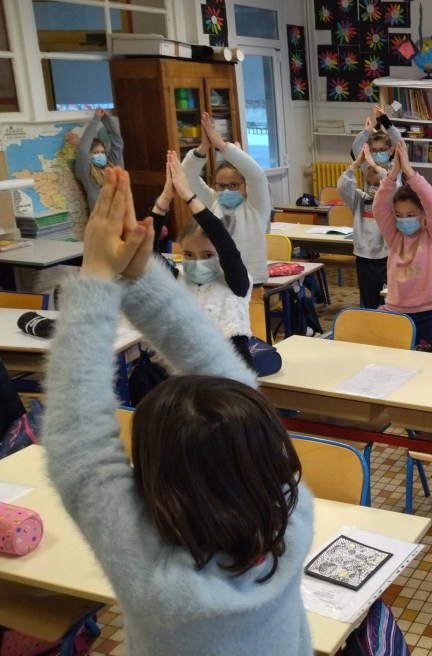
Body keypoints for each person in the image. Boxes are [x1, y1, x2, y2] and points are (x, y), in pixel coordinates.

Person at [44, 167, 313, 655]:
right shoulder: (289, 520)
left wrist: (106, 277)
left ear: (153, 479)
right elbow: (227, 379)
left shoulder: (153, 576)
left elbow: (80, 450)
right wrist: (127, 277)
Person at [152, 151, 255, 370]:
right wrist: (165, 199)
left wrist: (190, 197)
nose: (197, 261)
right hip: (188, 374)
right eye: (189, 255)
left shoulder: (235, 282)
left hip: (231, 377)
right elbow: (147, 254)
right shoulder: (177, 280)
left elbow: (224, 243)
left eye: (207, 255)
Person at [183, 112, 272, 338]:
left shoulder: (256, 205)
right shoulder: (212, 200)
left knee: (256, 344)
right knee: (224, 342)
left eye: (234, 185)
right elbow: (186, 177)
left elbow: (256, 175)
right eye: (221, 185)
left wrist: (222, 145)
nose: (226, 190)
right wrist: (203, 148)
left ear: (245, 186)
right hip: (218, 284)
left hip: (251, 287)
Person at [372, 139, 432, 353]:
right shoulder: (394, 236)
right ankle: (418, 350)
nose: (404, 220)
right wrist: (393, 174)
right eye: (399, 215)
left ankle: (422, 350)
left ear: (423, 215)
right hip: (396, 313)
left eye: (411, 215)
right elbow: (379, 207)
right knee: (385, 353)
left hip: (429, 315)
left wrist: (409, 171)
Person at [339, 143, 388, 310]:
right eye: (369, 183)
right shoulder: (359, 199)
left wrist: (375, 166)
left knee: (386, 301)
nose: (372, 188)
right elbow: (343, 187)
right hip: (364, 258)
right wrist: (356, 164)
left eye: (377, 184)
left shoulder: (389, 200)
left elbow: (392, 184)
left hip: (385, 258)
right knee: (368, 301)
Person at [74, 107, 125, 211]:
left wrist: (106, 119)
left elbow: (118, 144)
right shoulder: (87, 172)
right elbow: (83, 150)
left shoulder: (111, 164)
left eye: (102, 152)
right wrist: (95, 120)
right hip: (100, 217)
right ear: (89, 155)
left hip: (119, 213)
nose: (100, 155)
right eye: (95, 153)